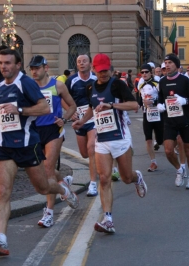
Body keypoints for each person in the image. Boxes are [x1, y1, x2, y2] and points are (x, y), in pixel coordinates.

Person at [0, 49, 78, 256]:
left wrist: (22, 111)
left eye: (8, 63)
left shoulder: (26, 83)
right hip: (5, 146)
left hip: (27, 144)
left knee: (43, 187)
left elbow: (44, 108)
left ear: (17, 65)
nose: (3, 67)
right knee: (2, 191)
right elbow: (5, 109)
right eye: (0, 63)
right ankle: (1, 239)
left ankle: (64, 190)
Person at [72, 53, 147, 234]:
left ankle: (137, 177)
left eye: (106, 70)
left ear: (110, 69)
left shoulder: (117, 84)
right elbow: (91, 108)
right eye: (100, 71)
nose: (103, 74)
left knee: (126, 177)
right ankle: (108, 219)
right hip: (102, 141)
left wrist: (112, 106)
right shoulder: (91, 88)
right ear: (94, 70)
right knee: (104, 179)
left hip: (120, 138)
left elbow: (133, 105)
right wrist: (82, 121)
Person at [29, 55, 77, 228]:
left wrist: (64, 119)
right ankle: (63, 184)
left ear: (46, 68)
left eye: (37, 68)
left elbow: (72, 106)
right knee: (44, 171)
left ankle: (49, 213)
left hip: (53, 131)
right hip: (35, 131)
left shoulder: (57, 85)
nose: (34, 71)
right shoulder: (29, 86)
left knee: (48, 170)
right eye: (32, 68)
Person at [157, 53, 189, 189]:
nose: (167, 65)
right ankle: (179, 169)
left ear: (176, 65)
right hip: (169, 120)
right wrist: (159, 105)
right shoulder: (162, 81)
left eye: (170, 62)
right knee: (168, 151)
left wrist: (184, 100)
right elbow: (160, 97)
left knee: (188, 151)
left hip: (184, 120)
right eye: (166, 63)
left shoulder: (184, 80)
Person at [65, 55, 99, 196]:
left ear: (90, 63)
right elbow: (63, 97)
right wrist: (70, 111)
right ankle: (104, 160)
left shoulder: (96, 79)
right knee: (84, 154)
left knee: (91, 149)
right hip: (79, 120)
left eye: (84, 61)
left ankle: (93, 184)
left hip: (94, 119)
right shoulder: (71, 81)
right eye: (79, 61)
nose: (81, 63)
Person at [138, 63, 163, 172]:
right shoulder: (140, 83)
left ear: (150, 72)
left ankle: (160, 141)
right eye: (142, 72)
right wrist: (138, 104)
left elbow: (163, 96)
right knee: (148, 138)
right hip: (147, 113)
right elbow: (140, 96)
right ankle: (153, 162)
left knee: (160, 139)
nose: (144, 74)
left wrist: (155, 102)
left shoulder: (157, 82)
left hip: (158, 113)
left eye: (146, 72)